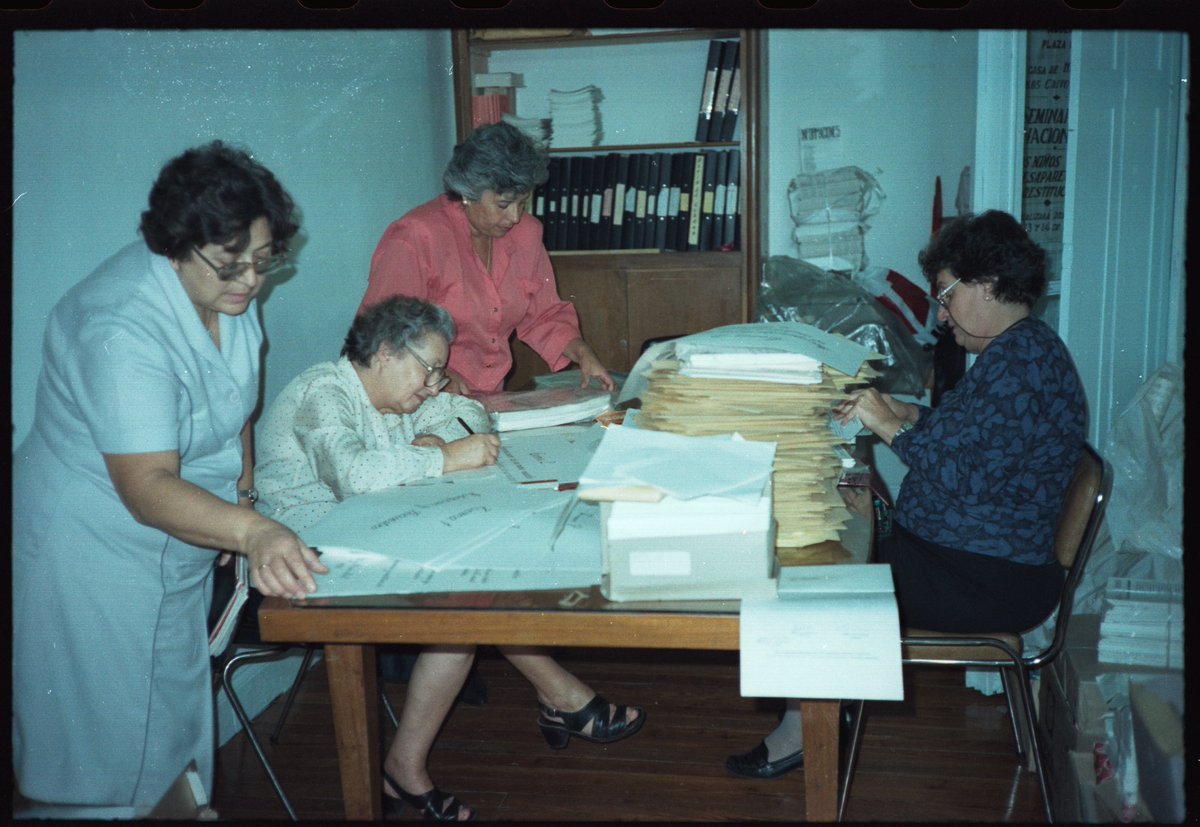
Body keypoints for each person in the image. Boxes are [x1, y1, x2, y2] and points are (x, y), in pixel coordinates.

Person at [11, 141, 328, 810]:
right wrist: (252, 530)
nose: (250, 279)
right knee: (102, 743)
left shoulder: (230, 289)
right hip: (88, 551)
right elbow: (147, 485)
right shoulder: (121, 322)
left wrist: (239, 496)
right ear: (176, 245)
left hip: (174, 537)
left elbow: (236, 399)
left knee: (169, 727)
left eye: (264, 260)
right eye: (231, 264)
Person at [725, 210, 1087, 779]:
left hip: (985, 578)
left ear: (988, 284)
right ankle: (821, 704)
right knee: (839, 519)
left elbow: (969, 474)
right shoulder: (1019, 350)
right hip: (965, 554)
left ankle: (806, 728)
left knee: (804, 573)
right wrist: (902, 411)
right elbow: (971, 435)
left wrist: (890, 426)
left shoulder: (1023, 364)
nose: (940, 313)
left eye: (945, 295)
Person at [255, 296, 644, 822]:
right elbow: (351, 476)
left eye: (440, 372)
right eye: (429, 370)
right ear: (387, 352)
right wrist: (443, 456)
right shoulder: (324, 394)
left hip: (368, 533)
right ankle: (418, 762)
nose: (434, 385)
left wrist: (439, 432)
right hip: (300, 557)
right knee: (462, 605)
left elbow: (468, 410)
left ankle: (555, 699)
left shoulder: (403, 396)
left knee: (482, 567)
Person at [358, 120, 614, 395]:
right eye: (503, 205)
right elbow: (381, 334)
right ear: (468, 193)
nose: (515, 217)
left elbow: (544, 314)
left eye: (522, 203)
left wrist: (582, 352)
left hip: (489, 396)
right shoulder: (418, 236)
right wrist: (440, 376)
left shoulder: (526, 233)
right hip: (419, 397)